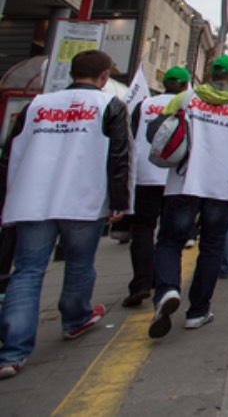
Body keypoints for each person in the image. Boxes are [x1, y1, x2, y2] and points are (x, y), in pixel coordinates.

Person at [0, 50, 131, 380]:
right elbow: (119, 156)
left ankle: (12, 352)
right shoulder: (109, 106)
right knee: (79, 262)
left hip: (34, 198)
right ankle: (75, 318)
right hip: (81, 199)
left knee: (27, 271)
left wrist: (9, 195)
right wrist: (119, 200)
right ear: (103, 76)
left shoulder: (39, 105)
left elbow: (10, 150)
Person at [148, 55, 228, 338]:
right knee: (212, 247)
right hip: (222, 185)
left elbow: (155, 132)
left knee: (168, 242)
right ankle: (198, 311)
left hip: (183, 181)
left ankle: (167, 290)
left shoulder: (186, 98)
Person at [123, 66, 190, 308]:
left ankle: (141, 282)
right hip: (175, 177)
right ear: (185, 85)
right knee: (170, 236)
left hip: (145, 176)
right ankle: (165, 281)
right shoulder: (188, 105)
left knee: (142, 230)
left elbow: (129, 137)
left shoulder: (143, 105)